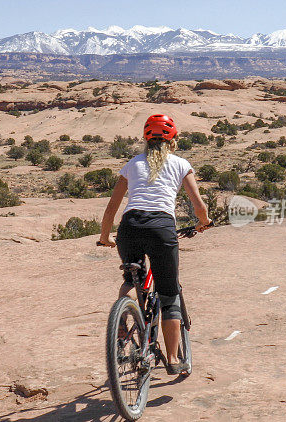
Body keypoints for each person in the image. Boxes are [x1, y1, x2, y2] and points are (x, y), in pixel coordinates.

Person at [97, 114, 211, 375]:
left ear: (146, 140)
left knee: (131, 278)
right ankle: (172, 359)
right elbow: (199, 205)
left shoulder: (132, 164)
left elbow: (111, 208)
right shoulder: (181, 164)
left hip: (130, 227)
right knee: (169, 295)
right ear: (173, 141)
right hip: (161, 228)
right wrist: (203, 222)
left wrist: (106, 237)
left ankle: (121, 325)